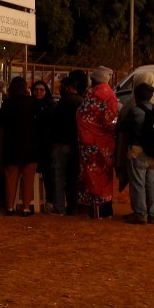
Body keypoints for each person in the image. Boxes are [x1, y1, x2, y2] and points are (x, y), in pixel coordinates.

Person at [76, 66, 121, 218]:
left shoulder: (95, 94)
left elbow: (88, 116)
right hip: (104, 143)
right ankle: (104, 209)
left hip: (91, 143)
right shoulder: (109, 94)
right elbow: (110, 120)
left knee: (93, 176)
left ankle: (98, 210)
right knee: (104, 176)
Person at [117, 83, 154, 224]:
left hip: (137, 151)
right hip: (153, 153)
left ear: (136, 96)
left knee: (138, 183)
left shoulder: (135, 111)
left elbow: (122, 127)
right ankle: (152, 214)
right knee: (150, 184)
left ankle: (140, 213)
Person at [48, 70, 87, 215]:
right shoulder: (81, 102)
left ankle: (59, 207)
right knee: (73, 178)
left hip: (61, 144)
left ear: (69, 86)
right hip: (76, 144)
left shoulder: (63, 102)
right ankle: (73, 207)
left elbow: (55, 123)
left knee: (59, 177)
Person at [2, 77, 39, 216]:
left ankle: (10, 207)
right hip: (30, 145)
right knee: (28, 179)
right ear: (25, 87)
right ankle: (26, 208)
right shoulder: (32, 102)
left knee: (11, 178)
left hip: (11, 144)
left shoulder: (7, 103)